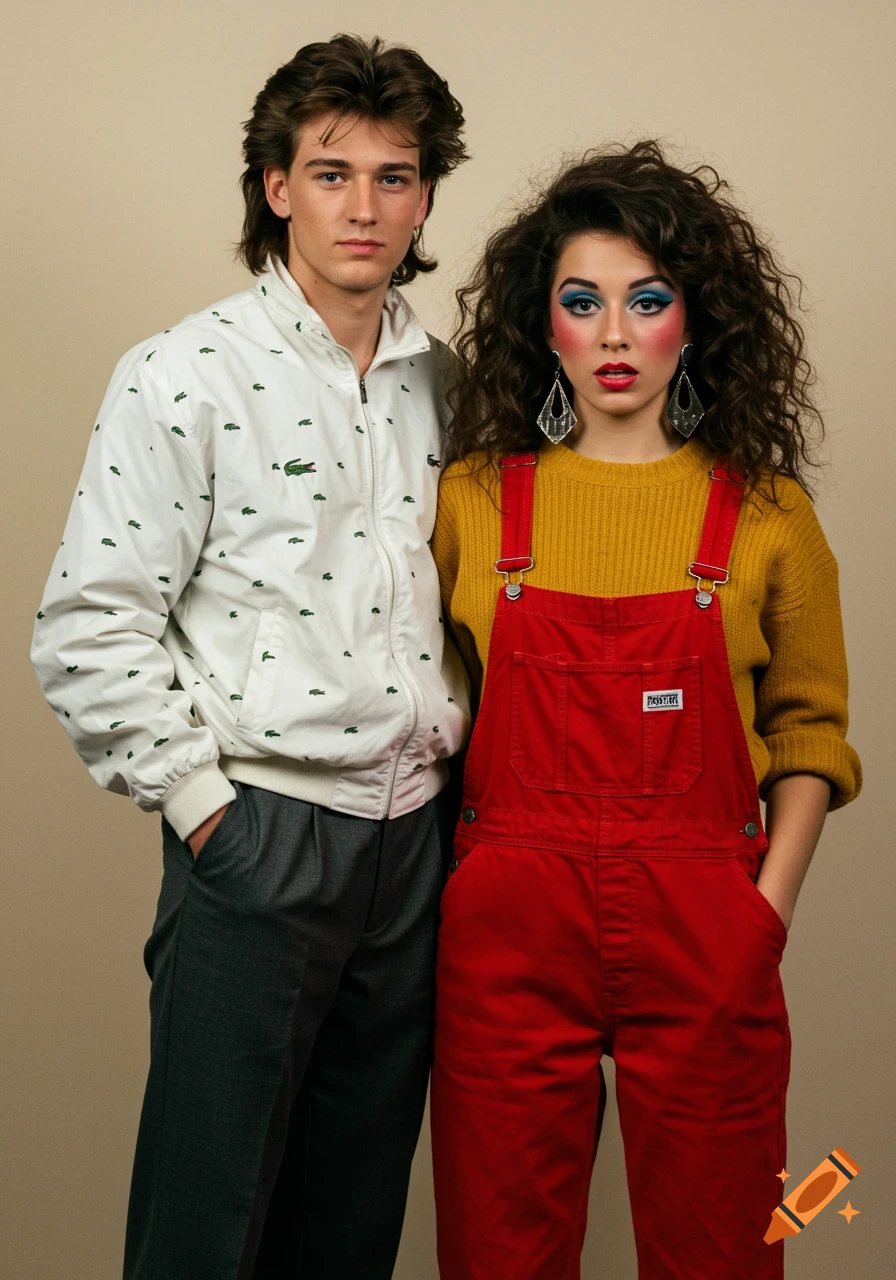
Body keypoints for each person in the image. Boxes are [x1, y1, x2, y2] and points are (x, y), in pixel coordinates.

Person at [30, 33, 470, 1280]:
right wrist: (204, 811)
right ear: (276, 185)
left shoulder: (450, 384)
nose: (364, 205)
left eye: (395, 175)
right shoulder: (185, 373)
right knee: (205, 1227)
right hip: (260, 834)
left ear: (427, 194)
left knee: (350, 1225)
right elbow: (88, 622)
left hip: (419, 849)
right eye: (332, 172)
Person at [429, 141, 862, 1279]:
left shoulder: (767, 516)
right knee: (496, 1252)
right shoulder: (473, 500)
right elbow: (417, 709)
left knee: (723, 1248)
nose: (613, 334)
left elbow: (810, 730)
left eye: (645, 299)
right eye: (582, 302)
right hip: (509, 932)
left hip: (703, 930)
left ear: (692, 319)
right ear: (545, 322)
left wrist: (758, 917)